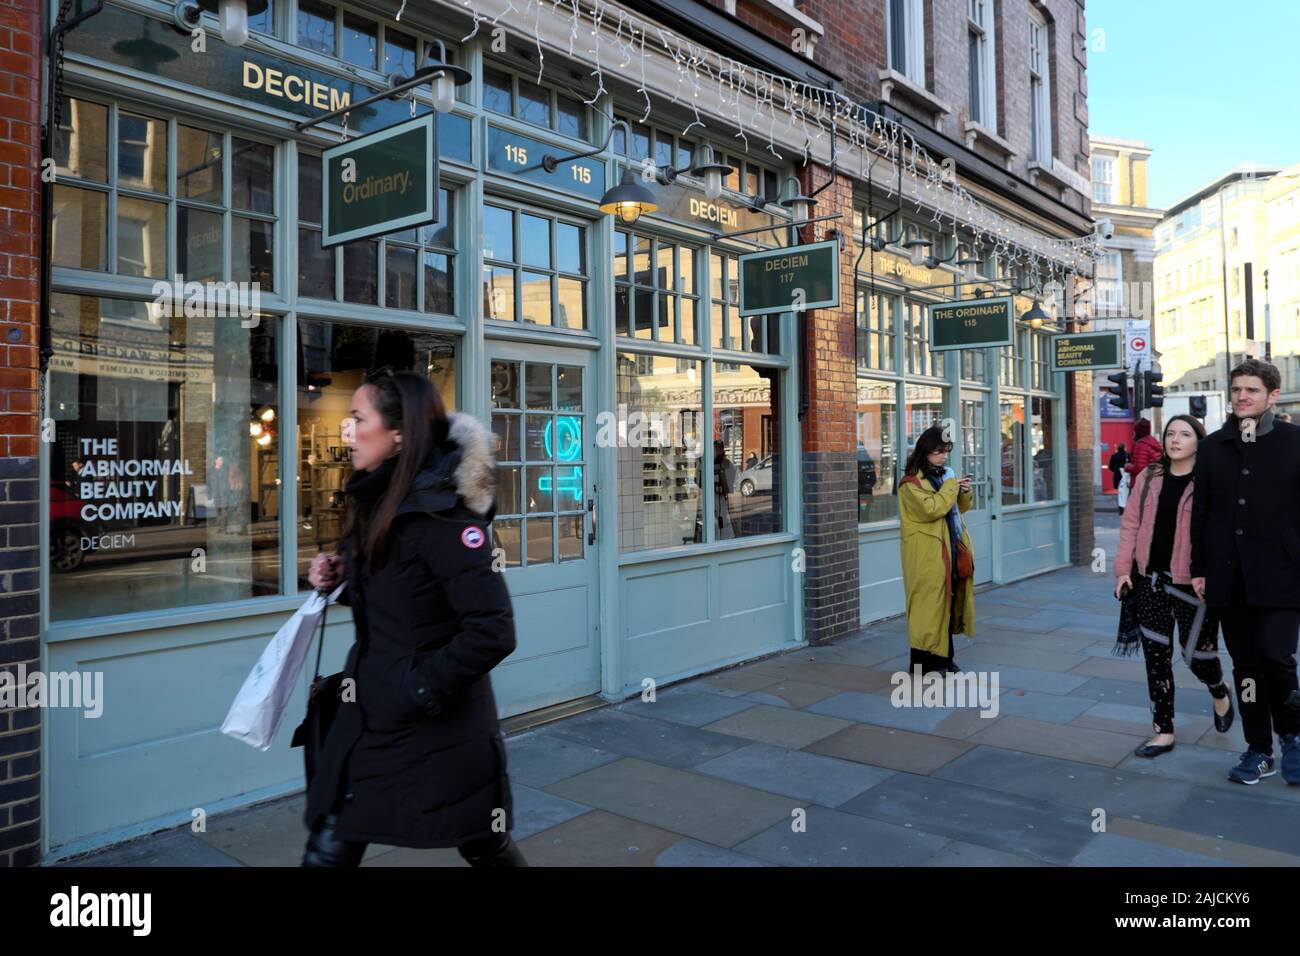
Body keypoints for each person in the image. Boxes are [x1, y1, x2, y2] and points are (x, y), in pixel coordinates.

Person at [302, 369, 526, 865]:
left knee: (482, 839)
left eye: (359, 419)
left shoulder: (445, 521)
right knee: (331, 838)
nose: (348, 432)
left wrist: (417, 689)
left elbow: (493, 628)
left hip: (429, 725)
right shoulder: (376, 500)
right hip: (367, 715)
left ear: (398, 434)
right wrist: (337, 574)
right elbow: (397, 596)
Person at [1191, 358, 1300, 785]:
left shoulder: (1294, 441)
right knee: (1245, 666)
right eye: (1237, 389)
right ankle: (1259, 748)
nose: (1242, 397)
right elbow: (1202, 512)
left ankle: (1292, 735)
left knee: (1277, 658)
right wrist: (1199, 568)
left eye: (1251, 390)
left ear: (1272, 395)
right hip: (1227, 577)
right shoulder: (1215, 446)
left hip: (1283, 577)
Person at [1114, 415, 1233, 758]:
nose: (1175, 440)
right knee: (1156, 657)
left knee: (1197, 655)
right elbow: (1131, 525)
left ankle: (1219, 689)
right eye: (1170, 434)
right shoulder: (1150, 477)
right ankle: (1163, 731)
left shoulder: (1209, 481)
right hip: (1149, 580)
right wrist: (1123, 570)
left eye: (1184, 434)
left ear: (1200, 441)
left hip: (1192, 583)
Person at [899, 425, 975, 675]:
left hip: (948, 547)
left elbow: (957, 510)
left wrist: (963, 492)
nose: (943, 456)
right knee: (926, 607)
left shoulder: (944, 476)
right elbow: (931, 509)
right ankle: (921, 665)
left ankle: (944, 660)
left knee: (948, 602)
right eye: (938, 452)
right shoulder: (911, 482)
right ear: (925, 452)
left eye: (946, 451)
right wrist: (952, 487)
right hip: (926, 554)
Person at [1108, 443, 1128, 508]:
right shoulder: (1128, 456)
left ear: (1117, 448)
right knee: (1126, 491)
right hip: (1126, 476)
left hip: (1117, 476)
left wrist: (1116, 470)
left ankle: (1120, 506)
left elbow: (1110, 467)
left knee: (1119, 492)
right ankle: (1126, 505)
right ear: (1125, 448)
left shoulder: (1114, 456)